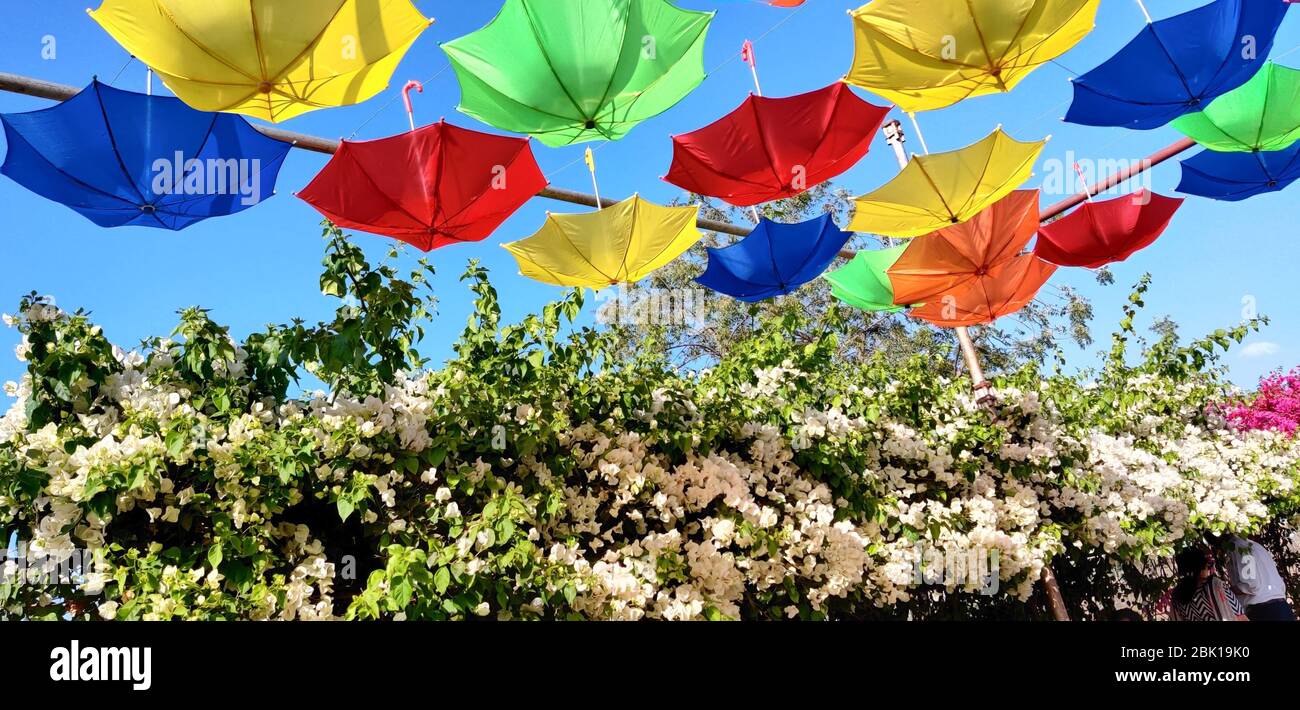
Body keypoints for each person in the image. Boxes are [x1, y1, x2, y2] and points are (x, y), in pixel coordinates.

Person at [1209, 534, 1296, 622]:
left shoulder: (1238, 547)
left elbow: (1251, 585)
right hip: (1281, 607)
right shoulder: (1255, 546)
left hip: (1263, 610)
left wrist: (1228, 591)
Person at [1169, 546, 1248, 621]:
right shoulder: (1215, 586)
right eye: (1207, 566)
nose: (1208, 569)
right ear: (1201, 568)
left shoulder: (1177, 594)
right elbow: (1239, 616)